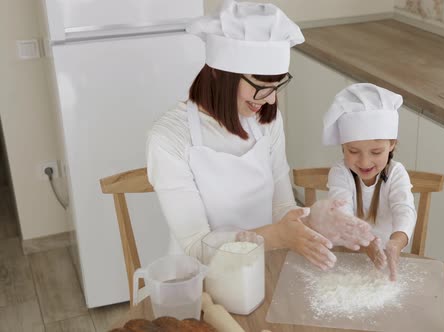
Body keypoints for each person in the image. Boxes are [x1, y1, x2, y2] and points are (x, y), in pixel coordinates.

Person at [146, 1, 373, 271]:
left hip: (263, 265)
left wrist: (312, 219)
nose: (270, 99)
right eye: (261, 87)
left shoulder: (266, 120)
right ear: (219, 74)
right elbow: (196, 246)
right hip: (200, 283)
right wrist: (277, 235)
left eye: (277, 86)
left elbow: (282, 207)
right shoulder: (169, 137)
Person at [323, 83, 417, 280]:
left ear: (392, 144)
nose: (364, 162)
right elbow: (342, 212)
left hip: (388, 262)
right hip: (345, 259)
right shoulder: (340, 174)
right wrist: (365, 243)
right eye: (353, 151)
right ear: (343, 146)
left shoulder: (396, 174)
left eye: (376, 152)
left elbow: (404, 209)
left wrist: (396, 243)